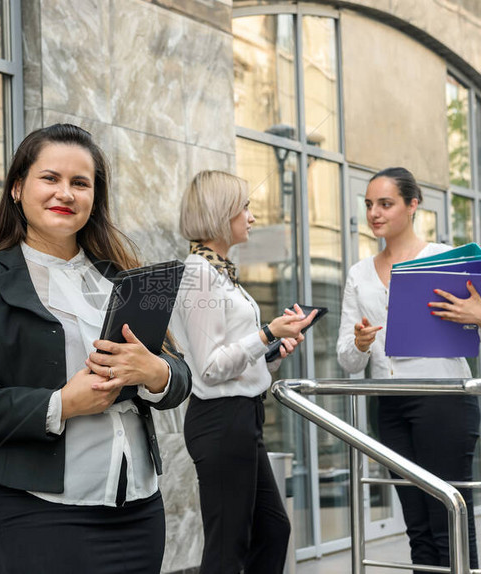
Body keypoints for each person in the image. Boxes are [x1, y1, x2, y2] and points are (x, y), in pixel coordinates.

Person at [0, 123, 192, 573]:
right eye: (50, 178)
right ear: (18, 188)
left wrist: (155, 373)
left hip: (137, 507)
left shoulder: (120, 276)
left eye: (81, 183)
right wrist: (61, 404)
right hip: (38, 512)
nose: (66, 193)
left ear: (95, 197)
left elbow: (179, 374)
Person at [337, 167, 481, 572]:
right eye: (369, 205)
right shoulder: (359, 274)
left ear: (412, 205)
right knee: (416, 525)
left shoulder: (445, 259)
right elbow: (347, 360)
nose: (374, 214)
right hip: (389, 405)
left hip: (445, 402)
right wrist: (360, 344)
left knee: (448, 520)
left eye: (386, 203)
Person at [169, 170, 317, 574]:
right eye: (245, 207)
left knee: (272, 530)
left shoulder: (220, 272)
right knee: (227, 547)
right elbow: (212, 368)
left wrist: (274, 349)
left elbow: (238, 357)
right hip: (220, 420)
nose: (252, 217)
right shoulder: (198, 274)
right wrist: (268, 331)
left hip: (243, 415)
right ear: (221, 213)